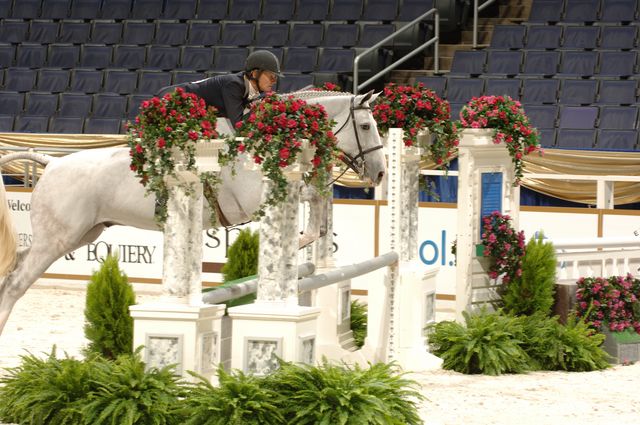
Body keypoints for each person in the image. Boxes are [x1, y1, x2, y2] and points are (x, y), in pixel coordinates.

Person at [156, 50, 283, 127]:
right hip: (169, 99)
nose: (274, 81)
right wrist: (261, 107)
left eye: (275, 78)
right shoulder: (234, 85)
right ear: (255, 73)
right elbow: (239, 125)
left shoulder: (246, 86)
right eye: (271, 76)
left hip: (184, 109)